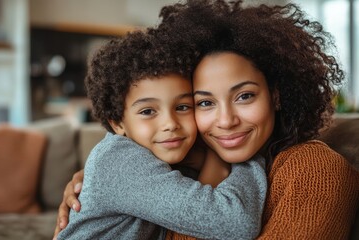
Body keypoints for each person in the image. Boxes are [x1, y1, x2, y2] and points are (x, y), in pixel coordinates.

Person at [54, 0, 359, 239]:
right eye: (205, 102)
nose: (225, 120)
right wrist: (91, 181)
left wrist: (233, 160)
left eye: (244, 96)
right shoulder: (183, 160)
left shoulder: (315, 169)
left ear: (276, 95)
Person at [56, 27, 267, 240]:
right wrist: (245, 158)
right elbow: (235, 223)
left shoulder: (171, 155)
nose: (170, 124)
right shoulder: (121, 160)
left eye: (183, 107)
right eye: (148, 111)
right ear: (118, 123)